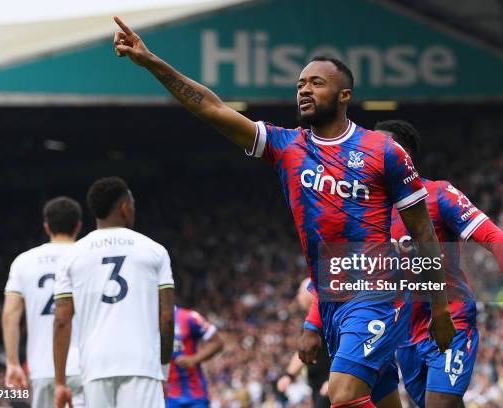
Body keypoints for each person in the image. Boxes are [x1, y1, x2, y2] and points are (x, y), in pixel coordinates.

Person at [112, 18, 455, 408]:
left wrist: (439, 308)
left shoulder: (383, 151)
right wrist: (152, 62)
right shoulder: (287, 145)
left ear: (344, 95)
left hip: (376, 292)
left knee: (342, 395)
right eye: (300, 85)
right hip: (331, 301)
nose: (304, 90)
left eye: (316, 83)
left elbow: (424, 233)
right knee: (383, 400)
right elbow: (211, 107)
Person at [302, 120, 503, 408]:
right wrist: (312, 325)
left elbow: (495, 238)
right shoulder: (361, 212)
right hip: (404, 335)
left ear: (401, 155)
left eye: (378, 146)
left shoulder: (439, 195)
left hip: (450, 319)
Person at [52, 177, 175, 408]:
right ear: (125, 207)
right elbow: (167, 317)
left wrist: (60, 382)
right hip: (142, 363)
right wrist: (164, 368)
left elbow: (61, 320)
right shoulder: (155, 251)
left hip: (95, 366)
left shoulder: (71, 256)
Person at [2, 196, 85, 408]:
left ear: (47, 227)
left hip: (43, 366)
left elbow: (10, 315)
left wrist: (12, 363)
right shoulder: (89, 257)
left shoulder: (24, 261)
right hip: (88, 366)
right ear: (78, 226)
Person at [277, 278, 331, 408]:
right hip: (318, 385)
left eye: (300, 292)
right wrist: (288, 375)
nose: (298, 296)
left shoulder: (328, 317)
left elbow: (343, 349)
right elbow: (304, 351)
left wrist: (334, 379)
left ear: (311, 293)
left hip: (331, 385)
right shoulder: (310, 323)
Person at [166, 306, 224, 408]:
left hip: (195, 394)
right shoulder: (149, 322)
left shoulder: (189, 317)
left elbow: (217, 342)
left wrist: (194, 359)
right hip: (168, 396)